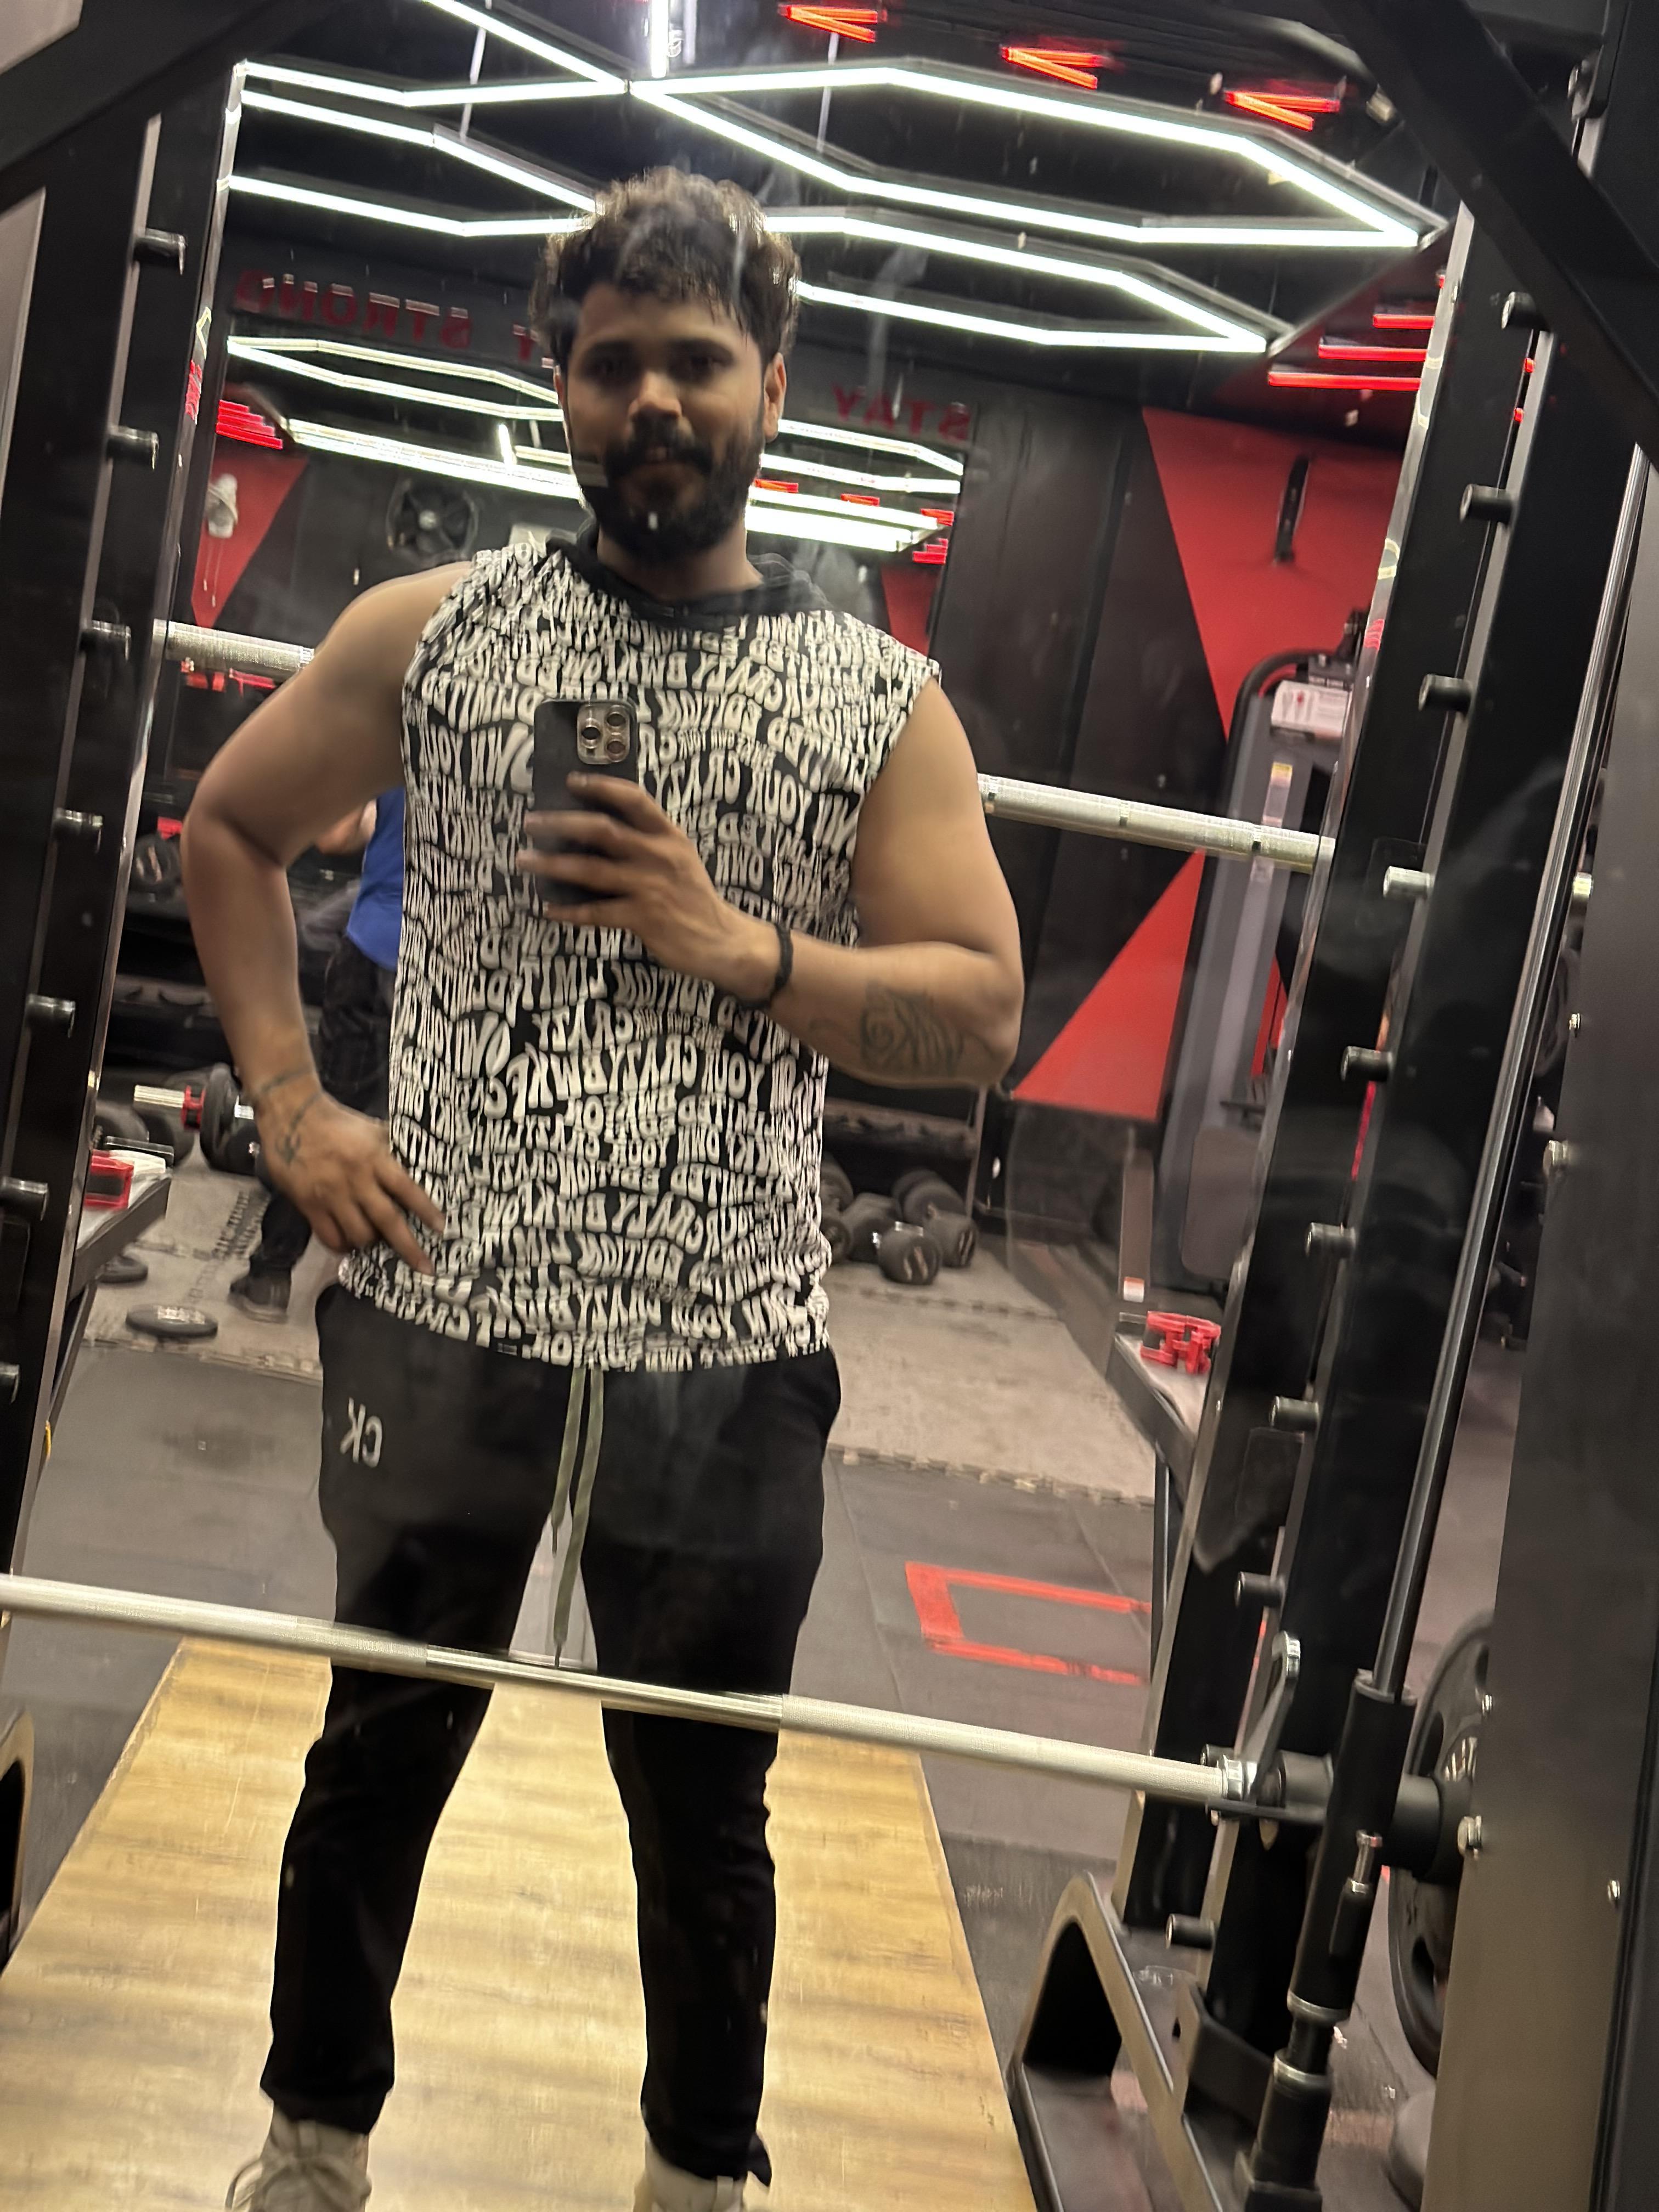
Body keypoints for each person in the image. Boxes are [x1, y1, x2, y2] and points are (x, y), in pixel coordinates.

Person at [182, 168, 1024, 2212]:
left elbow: (982, 1009)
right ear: (558, 384)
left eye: (696, 361)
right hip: (442, 1299)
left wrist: (741, 946)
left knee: (704, 1801)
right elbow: (228, 828)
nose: (655, 398)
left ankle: (696, 2174)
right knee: (378, 1745)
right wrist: (290, 1108)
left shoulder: (874, 698)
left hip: (723, 1337)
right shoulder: (434, 631)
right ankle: (310, 2146)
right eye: (612, 361)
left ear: (772, 383)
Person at [229, 792, 404, 1323]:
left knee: (327, 1115)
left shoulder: (402, 748)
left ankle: (271, 1275)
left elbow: (335, 835)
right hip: (457, 967)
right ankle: (393, 1298)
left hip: (379, 950)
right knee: (424, 1128)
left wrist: (381, 816)